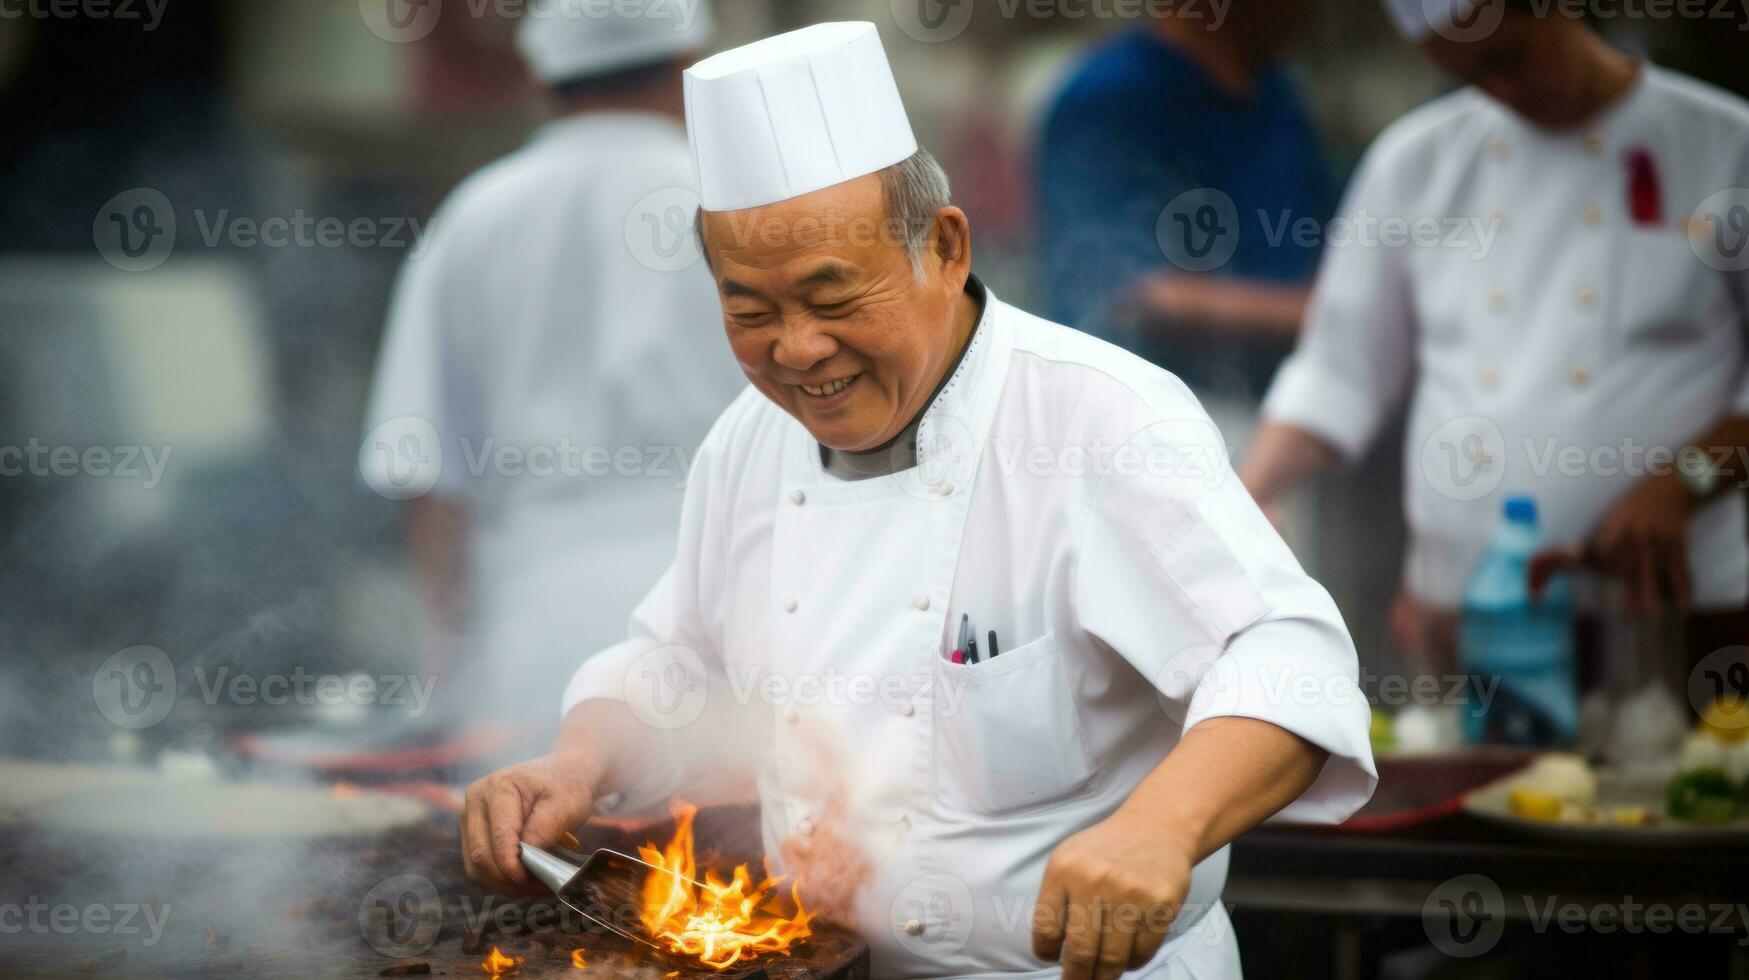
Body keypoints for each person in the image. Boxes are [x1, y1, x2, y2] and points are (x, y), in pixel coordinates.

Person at [460, 21, 1376, 979]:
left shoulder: (1095, 416)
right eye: (750, 311)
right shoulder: (747, 440)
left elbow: (1283, 654)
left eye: (832, 297)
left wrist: (1160, 827)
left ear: (942, 248)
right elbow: (680, 660)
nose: (798, 350)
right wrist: (575, 762)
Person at [1240, 0, 1749, 688]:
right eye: (1470, 77)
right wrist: (1243, 501)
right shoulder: (1412, 163)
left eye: (1508, 58)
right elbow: (1339, 369)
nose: (1503, 92)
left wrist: (1685, 479)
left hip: (1678, 611)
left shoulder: (1722, 144)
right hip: (1468, 614)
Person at [358, 0, 743, 743]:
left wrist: (450, 653)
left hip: (530, 642)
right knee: (708, 854)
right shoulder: (737, 205)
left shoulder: (475, 214)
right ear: (691, 62)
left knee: (523, 849)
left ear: (538, 72)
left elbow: (426, 467)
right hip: (716, 631)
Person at [1035, 0, 1335, 402]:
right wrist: (1320, 315)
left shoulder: (1276, 93)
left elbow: (1329, 237)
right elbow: (1123, 292)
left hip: (1284, 396)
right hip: (1151, 406)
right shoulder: (1112, 98)